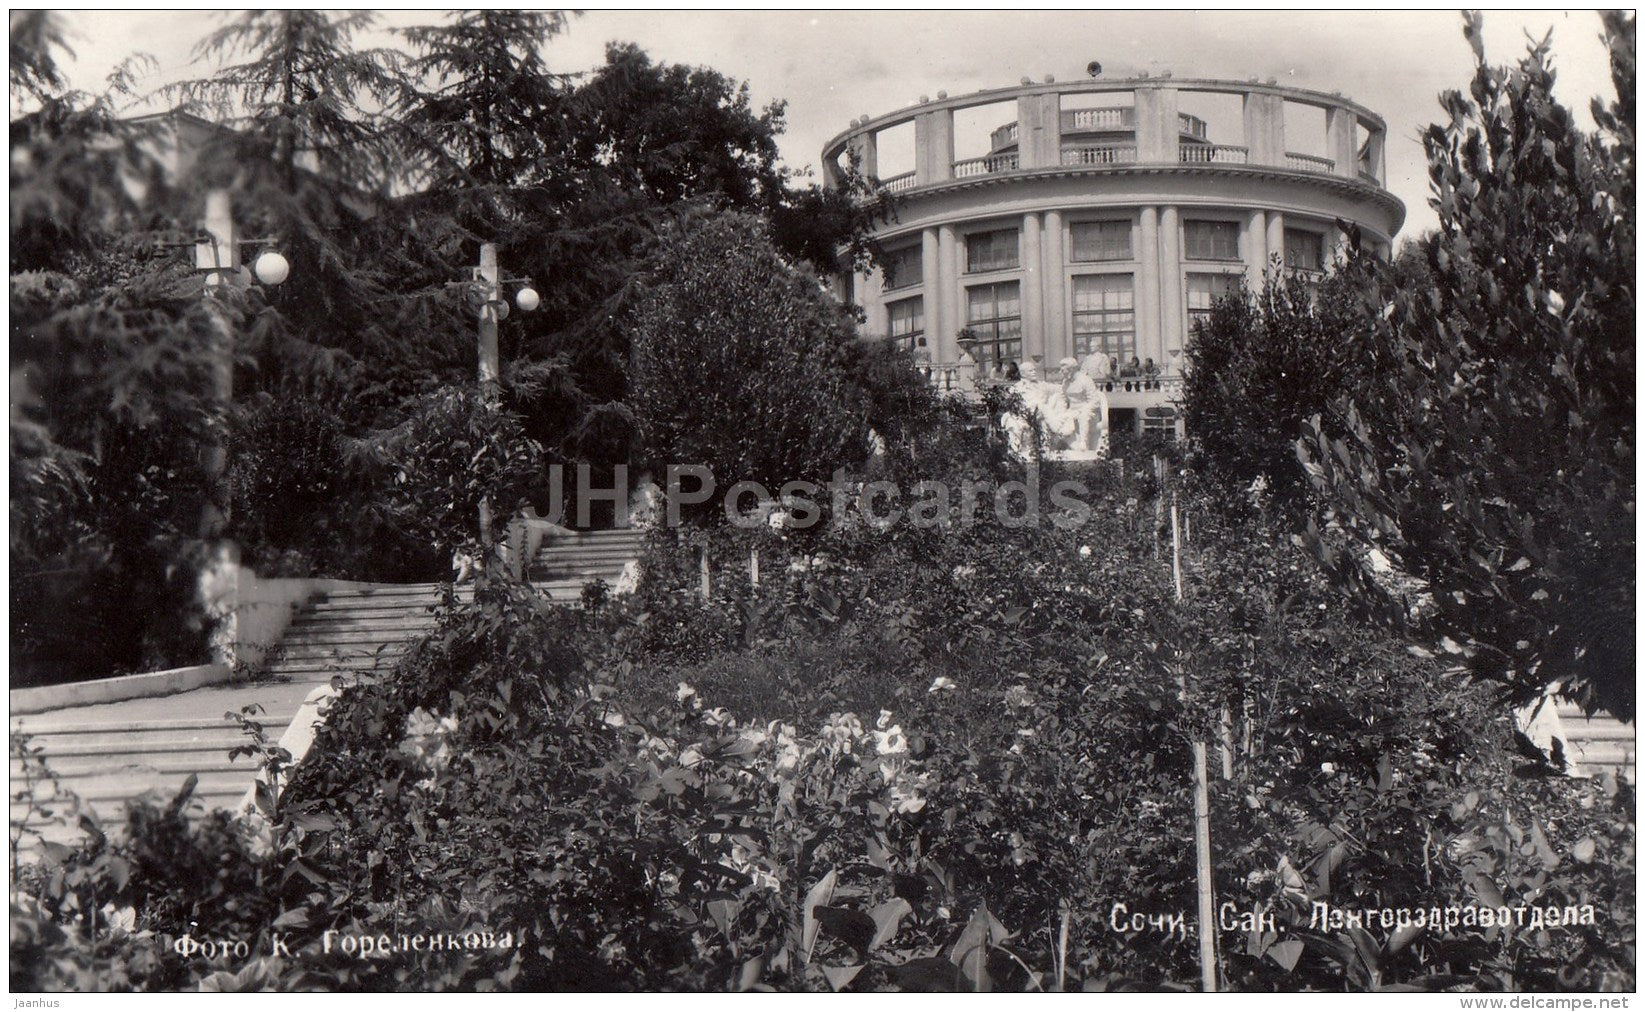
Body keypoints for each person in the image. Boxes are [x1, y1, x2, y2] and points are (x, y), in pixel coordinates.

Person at [1059, 356, 1102, 450]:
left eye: (1063, 369)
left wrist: (1083, 409)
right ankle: (1073, 446)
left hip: (1088, 410)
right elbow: (1063, 399)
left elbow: (1094, 400)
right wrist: (1062, 410)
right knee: (1059, 419)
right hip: (1072, 410)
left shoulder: (1085, 380)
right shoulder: (1065, 382)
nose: (1061, 372)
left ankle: (1083, 443)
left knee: (1083, 416)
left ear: (1071, 369)